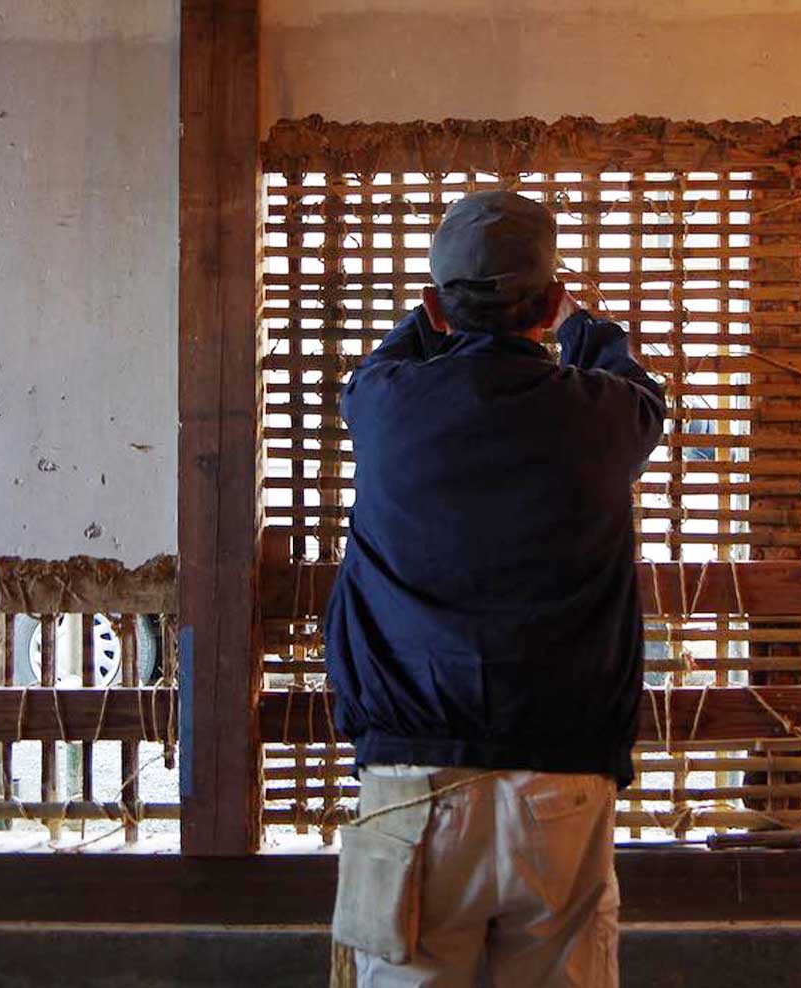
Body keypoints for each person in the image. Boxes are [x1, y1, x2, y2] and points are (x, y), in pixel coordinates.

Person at [322, 190, 666, 987]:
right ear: (547, 302)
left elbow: (381, 362)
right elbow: (642, 392)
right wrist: (585, 326)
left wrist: (428, 319)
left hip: (413, 783)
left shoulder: (384, 406)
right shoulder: (602, 416)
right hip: (562, 777)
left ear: (437, 305)